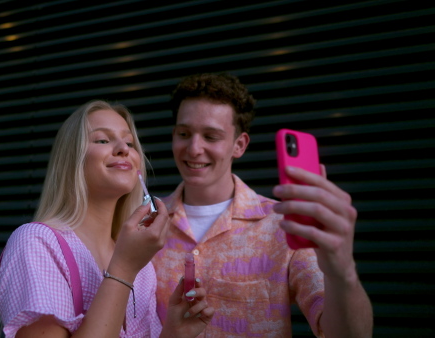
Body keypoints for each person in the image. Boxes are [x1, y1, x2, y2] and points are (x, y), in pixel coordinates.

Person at [152, 73, 373, 337]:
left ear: (239, 145)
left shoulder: (281, 224)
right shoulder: (146, 224)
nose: (194, 148)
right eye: (184, 133)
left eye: (211, 137)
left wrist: (343, 272)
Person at [0, 100, 214, 338]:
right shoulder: (37, 243)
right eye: (102, 140)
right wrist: (124, 268)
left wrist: (172, 334)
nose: (123, 149)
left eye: (130, 143)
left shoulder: (143, 269)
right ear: (72, 159)